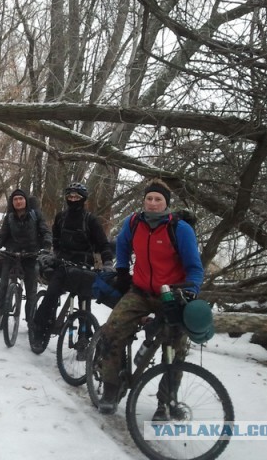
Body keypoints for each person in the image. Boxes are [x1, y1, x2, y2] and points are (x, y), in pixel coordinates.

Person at [97, 179, 204, 419]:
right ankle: (111, 389)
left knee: (174, 348)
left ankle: (165, 403)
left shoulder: (180, 229)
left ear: (166, 203)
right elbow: (123, 246)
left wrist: (191, 290)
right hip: (140, 292)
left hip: (172, 295)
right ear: (144, 200)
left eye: (158, 199)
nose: (153, 203)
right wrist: (123, 271)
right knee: (112, 332)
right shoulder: (134, 223)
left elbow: (195, 267)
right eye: (149, 198)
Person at [32, 182, 114, 344]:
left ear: (83, 199)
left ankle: (85, 338)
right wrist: (54, 254)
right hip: (62, 264)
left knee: (85, 303)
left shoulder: (91, 220)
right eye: (70, 196)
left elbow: (103, 244)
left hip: (84, 267)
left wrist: (108, 263)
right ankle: (39, 330)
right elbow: (55, 238)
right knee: (51, 295)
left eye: (76, 196)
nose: (73, 199)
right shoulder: (61, 217)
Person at [0, 189, 52, 324]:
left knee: (31, 288)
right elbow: (2, 236)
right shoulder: (9, 217)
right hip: (12, 253)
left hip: (31, 254)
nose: (18, 202)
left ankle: (31, 318)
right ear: (12, 202)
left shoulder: (35, 215)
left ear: (26, 201)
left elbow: (45, 231)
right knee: (3, 282)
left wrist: (47, 244)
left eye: (21, 199)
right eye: (15, 199)